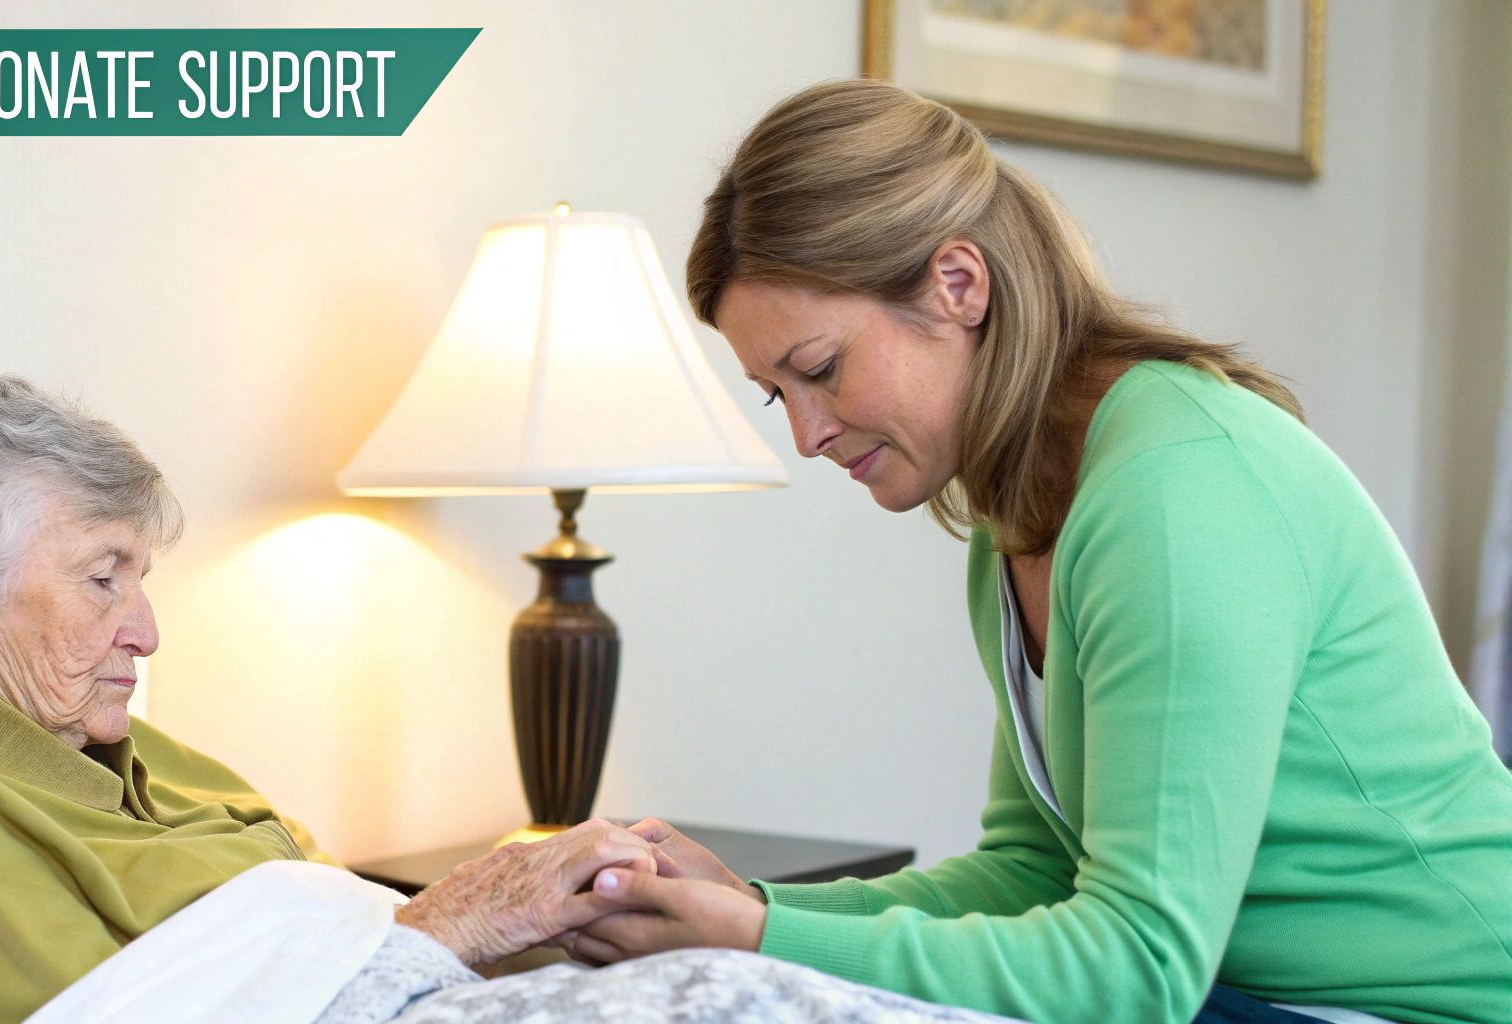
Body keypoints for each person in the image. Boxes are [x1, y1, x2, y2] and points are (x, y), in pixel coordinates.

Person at [563, 80, 1512, 1024]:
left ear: (959, 285)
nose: (806, 433)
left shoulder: (1177, 490)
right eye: (778, 394)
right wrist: (752, 910)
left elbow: (1139, 967)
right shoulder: (1019, 512)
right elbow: (1033, 871)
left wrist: (757, 944)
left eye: (819, 370)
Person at [0, 365, 661, 1023]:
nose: (147, 632)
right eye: (102, 579)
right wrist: (457, 921)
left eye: (139, 580)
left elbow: (347, 913)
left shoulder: (127, 748)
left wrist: (559, 917)